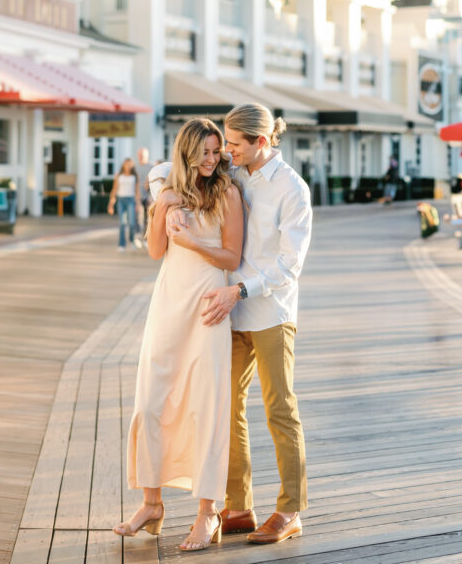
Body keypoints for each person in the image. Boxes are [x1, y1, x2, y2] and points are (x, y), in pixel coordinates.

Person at [167, 103, 312, 546]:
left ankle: (289, 511)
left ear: (260, 143)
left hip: (269, 313)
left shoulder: (292, 189)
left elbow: (290, 265)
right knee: (225, 409)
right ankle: (238, 506)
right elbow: (170, 166)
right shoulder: (233, 174)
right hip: (228, 314)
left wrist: (240, 290)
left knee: (279, 410)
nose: (225, 152)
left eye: (233, 143)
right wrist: (166, 201)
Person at [114, 119, 243, 552]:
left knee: (205, 406)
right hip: (169, 303)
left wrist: (191, 241)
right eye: (204, 152)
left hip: (208, 304)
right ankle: (152, 504)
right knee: (150, 400)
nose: (211, 160)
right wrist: (161, 206)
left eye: (216, 151)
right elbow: (154, 251)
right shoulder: (169, 190)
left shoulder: (227, 192)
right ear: (187, 152)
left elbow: (231, 254)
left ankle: (208, 513)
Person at [107, 158, 140, 252]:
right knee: (122, 223)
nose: (128, 166)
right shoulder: (119, 176)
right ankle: (122, 244)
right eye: (126, 164)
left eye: (130, 164)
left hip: (131, 200)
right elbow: (114, 190)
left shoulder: (135, 176)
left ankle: (132, 240)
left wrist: (138, 203)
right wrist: (111, 204)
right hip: (121, 200)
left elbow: (137, 191)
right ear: (123, 165)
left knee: (132, 223)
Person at [135, 147, 152, 249]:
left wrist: (151, 196)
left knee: (147, 219)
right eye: (140, 155)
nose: (141, 157)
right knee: (137, 218)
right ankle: (137, 237)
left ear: (147, 156)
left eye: (143, 155)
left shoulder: (151, 167)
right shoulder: (135, 168)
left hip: (148, 197)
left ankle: (146, 239)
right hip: (137, 196)